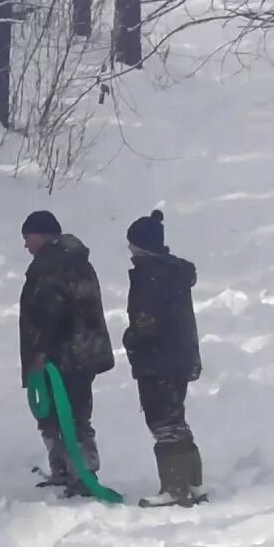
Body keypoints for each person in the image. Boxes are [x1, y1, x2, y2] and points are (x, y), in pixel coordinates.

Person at [18, 211, 114, 496]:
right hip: (82, 353)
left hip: (61, 356)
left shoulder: (50, 265)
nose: (25, 245)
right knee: (73, 413)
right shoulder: (77, 262)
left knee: (63, 415)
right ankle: (73, 470)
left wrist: (40, 350)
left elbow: (51, 311)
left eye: (28, 237)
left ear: (43, 235)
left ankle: (80, 473)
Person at [123, 210, 207, 507]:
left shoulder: (150, 275)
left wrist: (130, 338)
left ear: (141, 245)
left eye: (131, 243)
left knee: (162, 422)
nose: (129, 249)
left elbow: (147, 323)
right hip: (179, 358)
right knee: (176, 420)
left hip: (157, 359)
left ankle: (174, 487)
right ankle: (193, 484)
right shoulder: (174, 273)